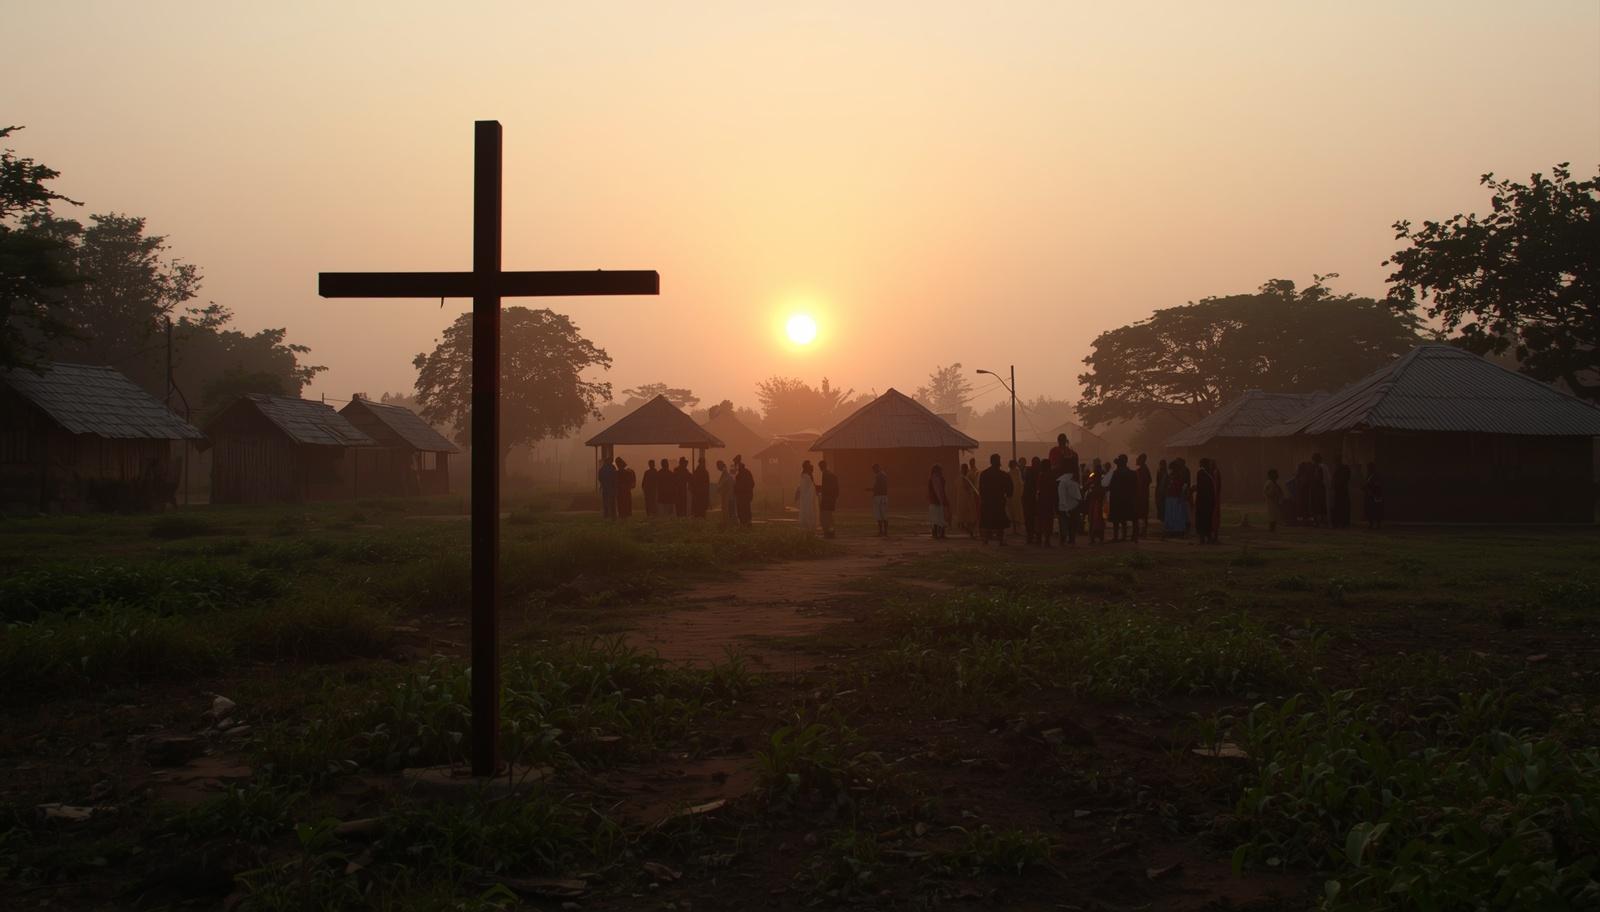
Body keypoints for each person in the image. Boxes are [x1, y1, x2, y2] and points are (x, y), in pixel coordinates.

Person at [978, 453, 1013, 545]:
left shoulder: (984, 474)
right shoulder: (1003, 475)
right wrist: (1008, 495)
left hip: (988, 501)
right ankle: (1000, 540)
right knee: (999, 521)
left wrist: (983, 499)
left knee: (987, 520)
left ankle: (986, 539)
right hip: (999, 501)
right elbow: (1009, 490)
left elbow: (981, 489)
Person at [1109, 455, 1138, 543]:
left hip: (1118, 499)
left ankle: (1117, 536)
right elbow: (1135, 487)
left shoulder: (1116, 473)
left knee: (1117, 519)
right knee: (1126, 518)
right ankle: (1130, 536)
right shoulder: (1132, 474)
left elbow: (1111, 486)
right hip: (1128, 499)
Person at [1034, 456, 1057, 547]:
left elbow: (1038, 488)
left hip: (1041, 500)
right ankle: (1046, 540)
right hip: (1049, 501)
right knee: (1048, 521)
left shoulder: (1041, 475)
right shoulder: (1051, 475)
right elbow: (1054, 489)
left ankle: (1039, 539)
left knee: (1040, 520)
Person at [1163, 457, 1189, 536]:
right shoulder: (1172, 476)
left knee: (1175, 514)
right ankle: (1174, 529)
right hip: (1172, 497)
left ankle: (1176, 529)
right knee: (1174, 514)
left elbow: (1182, 486)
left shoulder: (1177, 476)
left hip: (1175, 497)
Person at [1056, 465, 1081, 545]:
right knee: (1072, 524)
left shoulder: (1062, 482)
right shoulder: (1072, 483)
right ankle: (1071, 540)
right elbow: (1077, 496)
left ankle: (1063, 540)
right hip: (1072, 506)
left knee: (1063, 525)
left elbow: (1061, 496)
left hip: (1063, 506)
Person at [1194, 458, 1217, 543]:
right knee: (1208, 518)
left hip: (1202, 499)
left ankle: (1202, 538)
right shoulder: (1211, 473)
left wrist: (1194, 488)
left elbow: (1200, 486)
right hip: (1209, 499)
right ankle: (1209, 537)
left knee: (1201, 518)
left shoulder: (1200, 473)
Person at [1085, 458, 1106, 543]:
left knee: (1094, 517)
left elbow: (1088, 482)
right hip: (1099, 498)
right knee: (1099, 518)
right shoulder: (1103, 474)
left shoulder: (1094, 474)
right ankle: (1099, 537)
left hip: (1095, 498)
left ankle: (1093, 537)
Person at [795, 460, 819, 534]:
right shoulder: (806, 477)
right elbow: (806, 488)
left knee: (810, 511)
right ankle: (809, 526)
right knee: (808, 511)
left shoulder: (807, 476)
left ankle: (809, 526)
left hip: (809, 498)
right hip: (807, 498)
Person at [955, 463, 979, 538]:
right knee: (971, 518)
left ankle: (970, 531)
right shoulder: (964, 479)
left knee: (968, 519)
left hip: (963, 501)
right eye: (965, 469)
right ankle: (970, 532)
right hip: (967, 501)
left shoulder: (960, 478)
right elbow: (969, 488)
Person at [927, 464, 950, 539]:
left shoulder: (932, 479)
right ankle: (939, 533)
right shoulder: (938, 479)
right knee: (940, 518)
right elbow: (940, 491)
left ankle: (936, 533)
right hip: (937, 501)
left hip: (934, 501)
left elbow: (940, 490)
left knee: (937, 519)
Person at [818, 460, 840, 538]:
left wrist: (818, 489)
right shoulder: (832, 475)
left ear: (820, 467)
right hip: (831, 499)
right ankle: (831, 532)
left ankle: (827, 532)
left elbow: (826, 488)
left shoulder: (826, 475)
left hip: (826, 499)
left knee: (825, 517)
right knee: (829, 517)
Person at [733, 456, 756, 526]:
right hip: (744, 495)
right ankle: (746, 522)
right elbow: (752, 483)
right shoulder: (745, 473)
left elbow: (751, 484)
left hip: (743, 495)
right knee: (745, 508)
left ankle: (745, 522)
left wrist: (742, 490)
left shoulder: (740, 474)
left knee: (743, 509)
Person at [1017, 459, 1036, 543]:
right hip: (1031, 501)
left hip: (1027, 501)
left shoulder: (1027, 472)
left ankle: (1030, 535)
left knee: (1029, 518)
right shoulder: (1033, 479)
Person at [1330, 457, 1352, 528]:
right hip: (1341, 490)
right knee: (1342, 507)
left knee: (1341, 507)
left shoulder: (1342, 469)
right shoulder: (1343, 469)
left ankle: (1341, 523)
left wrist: (1335, 485)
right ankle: (1342, 523)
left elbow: (1340, 480)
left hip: (1341, 491)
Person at [1135, 454, 1152, 537]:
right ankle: (1142, 530)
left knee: (1142, 513)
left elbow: (1147, 481)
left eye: (1138, 459)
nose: (1136, 460)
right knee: (1142, 513)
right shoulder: (1143, 469)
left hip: (1142, 494)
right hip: (1142, 494)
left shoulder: (1143, 470)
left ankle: (1142, 531)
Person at [1363, 463, 1384, 530]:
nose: (1368, 469)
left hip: (1375, 495)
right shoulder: (1369, 476)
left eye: (1369, 468)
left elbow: (1377, 485)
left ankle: (1378, 524)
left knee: (1376, 509)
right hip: (1370, 495)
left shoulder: (1376, 476)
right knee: (1370, 510)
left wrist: (1372, 491)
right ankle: (1371, 523)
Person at [1264, 468, 1284, 532]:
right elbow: (1269, 493)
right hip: (1271, 501)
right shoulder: (1270, 483)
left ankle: (1273, 528)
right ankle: (1272, 529)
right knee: (1272, 515)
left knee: (1274, 515)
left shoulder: (1273, 483)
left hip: (1274, 501)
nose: (1277, 475)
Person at [716, 459, 735, 525]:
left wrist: (719, 487)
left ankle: (727, 523)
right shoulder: (725, 472)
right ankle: (727, 522)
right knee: (726, 509)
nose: (717, 468)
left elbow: (724, 482)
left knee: (727, 509)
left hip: (727, 494)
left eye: (718, 466)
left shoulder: (725, 472)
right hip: (727, 494)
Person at [1154, 458, 1168, 527]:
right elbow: (1158, 482)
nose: (1161, 466)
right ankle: (1162, 518)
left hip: (1162, 490)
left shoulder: (1165, 473)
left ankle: (1163, 518)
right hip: (1160, 490)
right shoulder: (1160, 472)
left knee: (1162, 504)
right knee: (1160, 504)